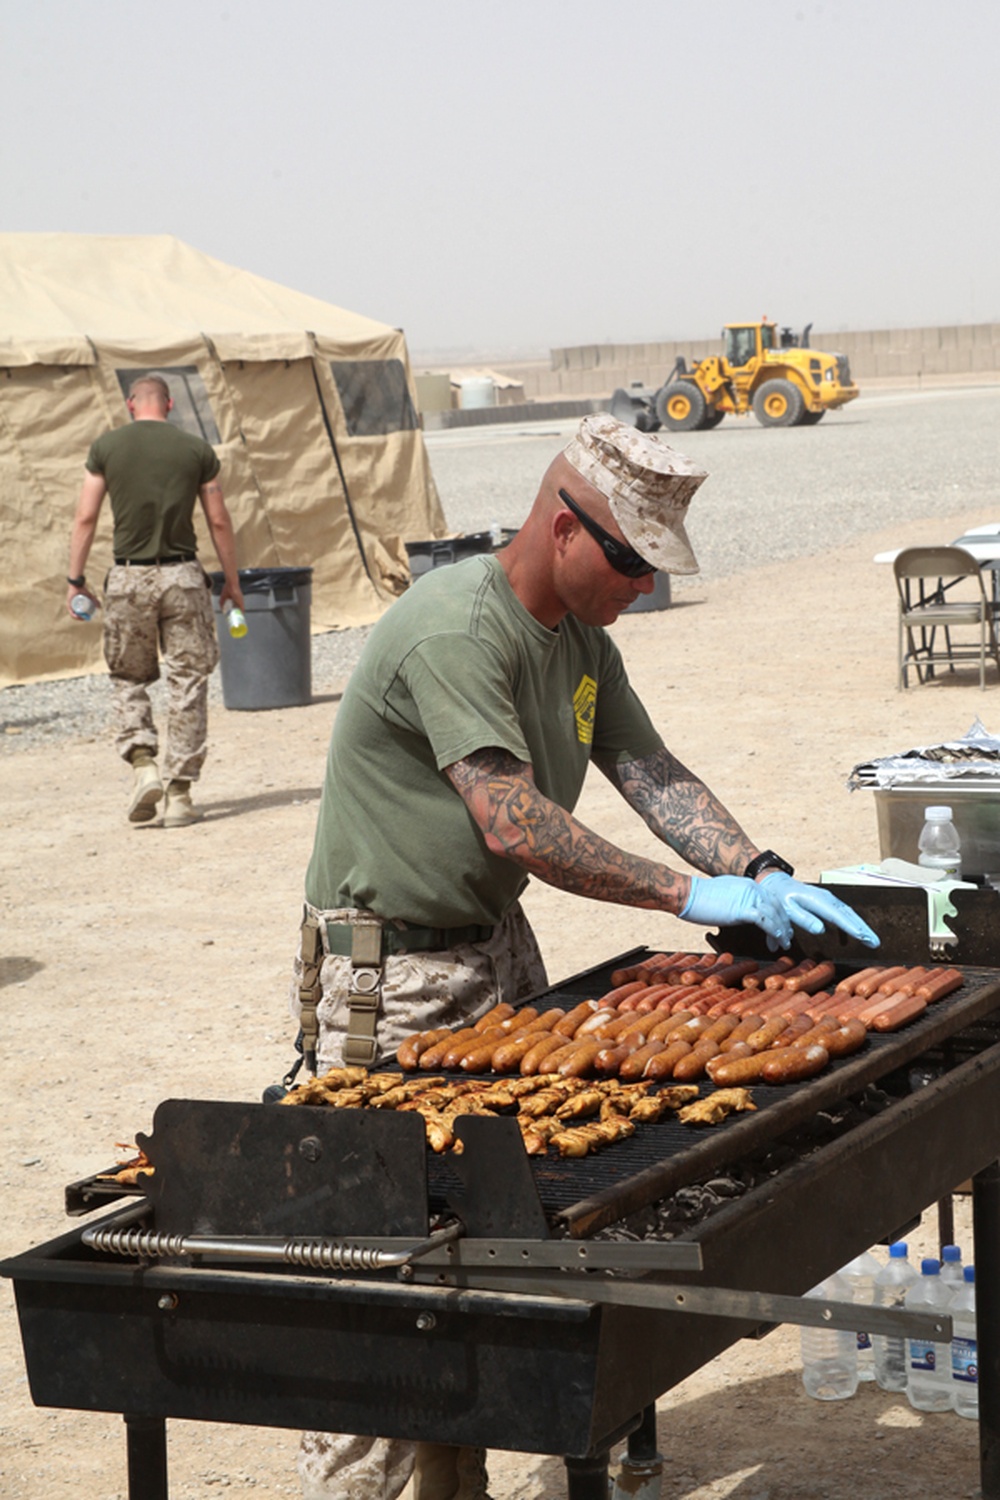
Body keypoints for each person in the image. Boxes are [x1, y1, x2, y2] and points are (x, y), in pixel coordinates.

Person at [289, 412, 879, 1500]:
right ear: (564, 528)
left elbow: (646, 770)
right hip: (397, 962)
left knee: (484, 1246)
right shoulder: (456, 629)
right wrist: (686, 890)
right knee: (388, 1264)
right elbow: (512, 820)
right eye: (630, 562)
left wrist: (757, 863)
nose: (642, 589)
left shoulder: (579, 642)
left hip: (490, 943)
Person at [65, 372, 243, 827]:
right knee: (189, 680)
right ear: (168, 406)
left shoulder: (106, 448)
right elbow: (219, 521)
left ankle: (143, 764)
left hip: (128, 579)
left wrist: (76, 580)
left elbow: (85, 518)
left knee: (129, 678)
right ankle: (180, 794)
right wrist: (232, 582)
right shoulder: (196, 451)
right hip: (183, 577)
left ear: (131, 404)